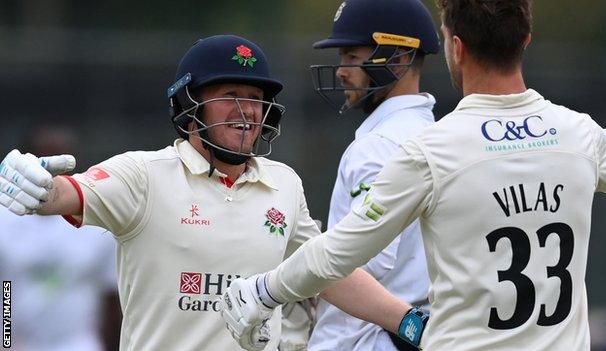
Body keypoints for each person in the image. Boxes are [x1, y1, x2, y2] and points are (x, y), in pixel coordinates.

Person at [220, 1, 606, 350]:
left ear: (456, 47)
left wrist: (263, 292)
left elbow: (338, 254)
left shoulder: (433, 151)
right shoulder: (579, 134)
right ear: (526, 40)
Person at [0, 34, 415, 351]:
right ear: (188, 107)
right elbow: (65, 193)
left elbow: (327, 270)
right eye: (229, 95)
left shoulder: (284, 184)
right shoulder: (143, 175)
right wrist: (37, 187)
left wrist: (410, 323)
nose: (247, 110)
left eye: (255, 99)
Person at [306, 0, 438, 350]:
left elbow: (359, 263)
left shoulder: (377, 145)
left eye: (351, 57)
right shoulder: (438, 136)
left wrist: (290, 281)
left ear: (397, 61)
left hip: (363, 340)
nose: (340, 71)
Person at [0, 125, 120, 351]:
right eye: (44, 156)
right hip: (18, 343)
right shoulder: (4, 218)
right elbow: (5, 287)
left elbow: (110, 295)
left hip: (79, 344)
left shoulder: (96, 222)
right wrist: (7, 340)